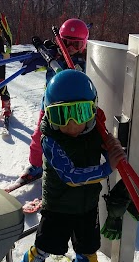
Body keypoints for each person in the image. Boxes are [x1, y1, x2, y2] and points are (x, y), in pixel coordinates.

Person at [17, 69, 127, 262]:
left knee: (88, 248)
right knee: (45, 246)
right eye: (61, 115)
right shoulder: (51, 140)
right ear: (48, 113)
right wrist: (108, 167)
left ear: (91, 110)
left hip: (86, 206)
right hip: (58, 207)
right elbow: (70, 175)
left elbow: (107, 148)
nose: (72, 124)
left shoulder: (94, 130)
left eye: (79, 112)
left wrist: (112, 146)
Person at [18, 18, 89, 185]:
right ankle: (35, 165)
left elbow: (71, 76)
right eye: (66, 43)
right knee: (38, 137)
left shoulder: (83, 62)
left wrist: (54, 58)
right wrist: (41, 55)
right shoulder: (54, 55)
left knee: (67, 140)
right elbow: (41, 66)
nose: (70, 49)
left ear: (83, 45)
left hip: (70, 110)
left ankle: (67, 166)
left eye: (76, 45)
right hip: (48, 105)